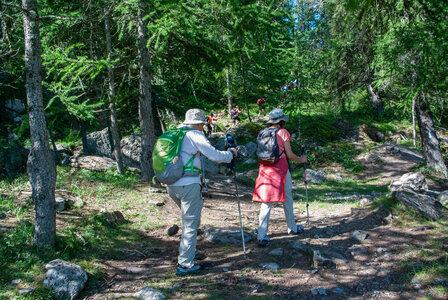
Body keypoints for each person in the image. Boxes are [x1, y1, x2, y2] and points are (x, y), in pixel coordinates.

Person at [167, 109, 237, 275]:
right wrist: (230, 155)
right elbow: (214, 155)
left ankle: (189, 251)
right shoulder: (194, 135)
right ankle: (185, 265)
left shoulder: (173, 133)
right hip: (188, 184)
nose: (203, 127)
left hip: (170, 184)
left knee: (191, 219)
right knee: (190, 224)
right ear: (199, 123)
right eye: (202, 124)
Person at [252, 108, 307, 247]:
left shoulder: (262, 132)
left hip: (265, 170)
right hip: (281, 170)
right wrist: (301, 160)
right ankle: (292, 227)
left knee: (266, 202)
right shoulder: (283, 133)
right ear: (281, 121)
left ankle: (261, 235)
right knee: (287, 197)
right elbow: (289, 155)